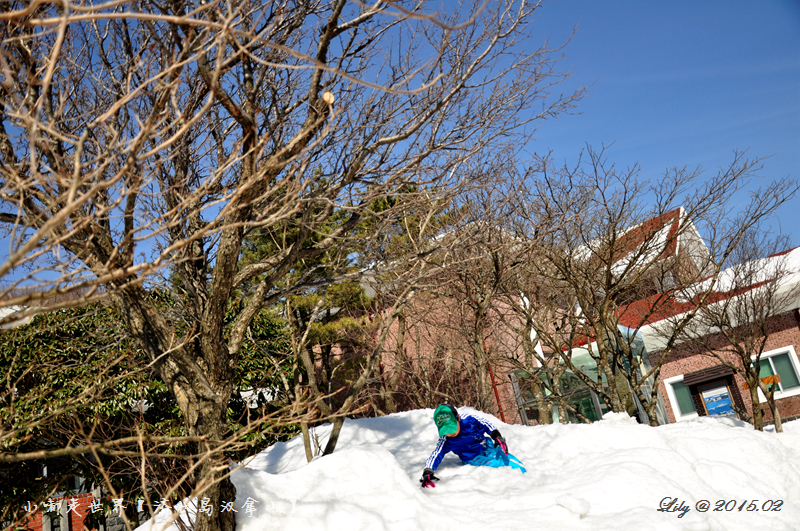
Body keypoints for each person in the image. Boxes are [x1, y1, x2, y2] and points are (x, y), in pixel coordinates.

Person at [420, 404, 525, 488]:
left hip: (488, 447)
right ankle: (517, 486)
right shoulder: (446, 440)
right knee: (499, 465)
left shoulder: (469, 420)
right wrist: (428, 470)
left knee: (512, 462)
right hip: (473, 457)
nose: (450, 433)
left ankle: (526, 478)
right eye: (446, 431)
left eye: (452, 428)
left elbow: (485, 424)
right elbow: (436, 454)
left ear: (458, 419)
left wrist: (496, 435)